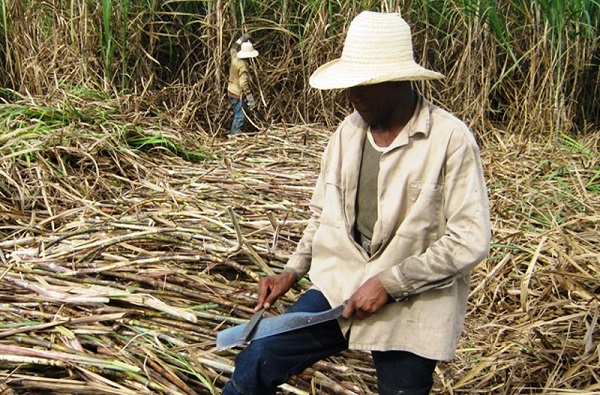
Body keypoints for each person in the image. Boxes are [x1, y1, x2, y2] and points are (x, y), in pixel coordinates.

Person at [222, 11, 490, 395]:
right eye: (350, 85)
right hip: (339, 285)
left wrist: (390, 282)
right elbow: (322, 215)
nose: (353, 96)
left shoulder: (449, 140)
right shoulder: (347, 134)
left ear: (397, 80)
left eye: (364, 85)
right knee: (256, 361)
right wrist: (292, 271)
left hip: (413, 301)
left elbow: (469, 238)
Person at [227, 37, 258, 136]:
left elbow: (233, 47)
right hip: (237, 93)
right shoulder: (243, 66)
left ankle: (234, 132)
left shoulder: (235, 57)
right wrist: (249, 96)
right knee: (240, 115)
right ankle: (234, 134)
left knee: (238, 111)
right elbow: (243, 83)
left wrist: (242, 38)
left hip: (230, 90)